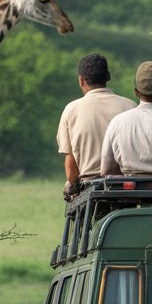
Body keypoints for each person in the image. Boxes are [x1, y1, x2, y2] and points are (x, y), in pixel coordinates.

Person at [57, 53, 134, 198]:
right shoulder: (130, 106)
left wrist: (72, 184)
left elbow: (71, 166)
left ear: (81, 80)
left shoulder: (71, 110)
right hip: (125, 185)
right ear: (108, 76)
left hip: (90, 187)